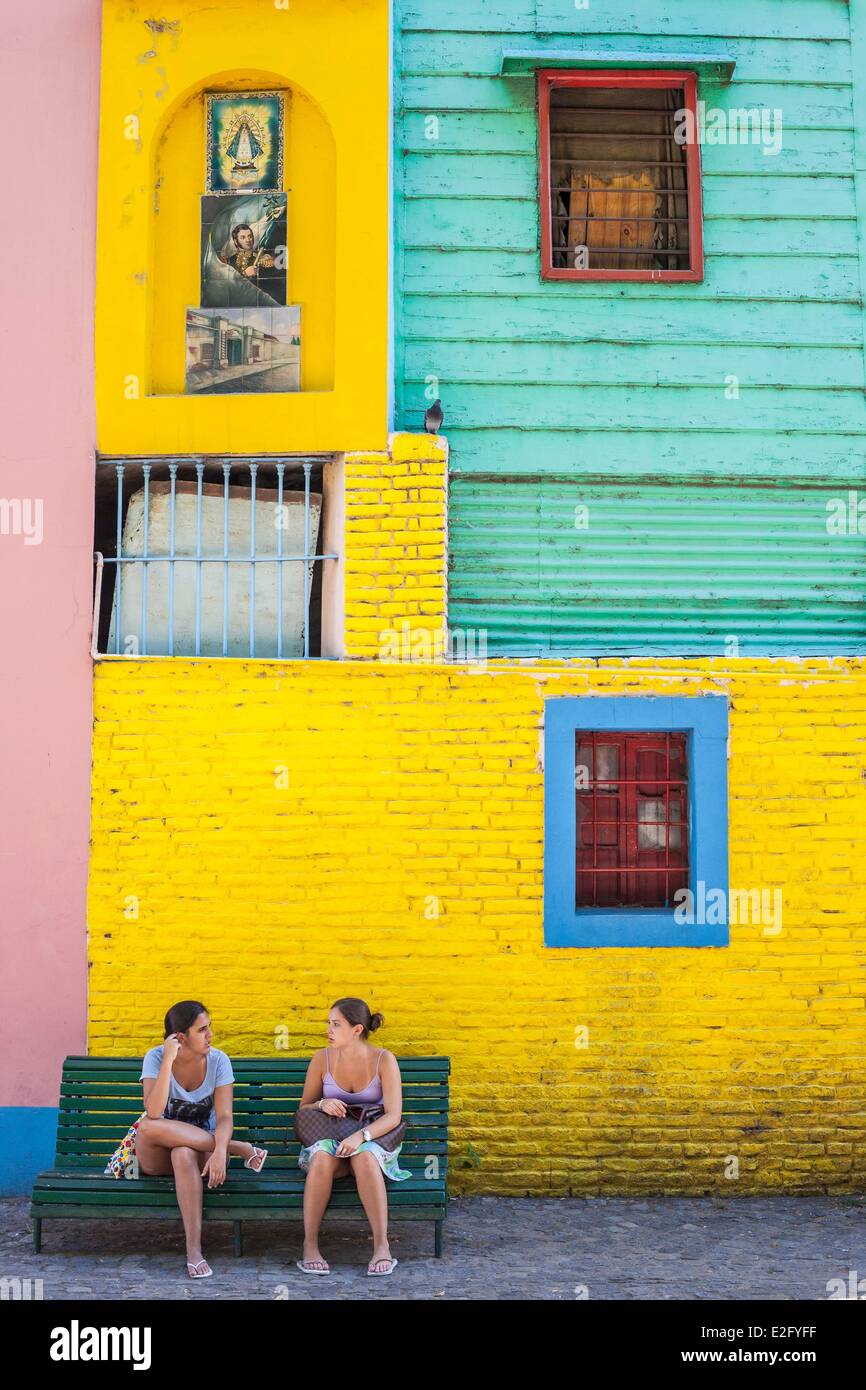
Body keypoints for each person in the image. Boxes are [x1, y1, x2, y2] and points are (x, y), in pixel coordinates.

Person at [136, 1000, 268, 1279]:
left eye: (209, 1027)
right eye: (202, 1030)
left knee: (182, 1153)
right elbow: (155, 1111)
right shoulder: (156, 1058)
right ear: (180, 1037)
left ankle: (194, 1252)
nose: (210, 1035)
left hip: (202, 1155)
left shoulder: (218, 1060)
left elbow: (224, 1118)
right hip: (156, 1153)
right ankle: (241, 1149)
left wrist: (219, 1151)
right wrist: (169, 1060)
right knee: (147, 1126)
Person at [295, 998, 410, 1276]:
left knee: (365, 1158)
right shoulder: (321, 1059)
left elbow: (393, 1116)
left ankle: (381, 1246)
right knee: (322, 1157)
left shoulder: (384, 1060)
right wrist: (322, 1104)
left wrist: (361, 1136)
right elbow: (304, 1107)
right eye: (329, 1023)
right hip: (329, 1138)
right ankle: (309, 1245)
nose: (329, 1030)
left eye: (336, 1024)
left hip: (371, 1138)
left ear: (357, 1029)